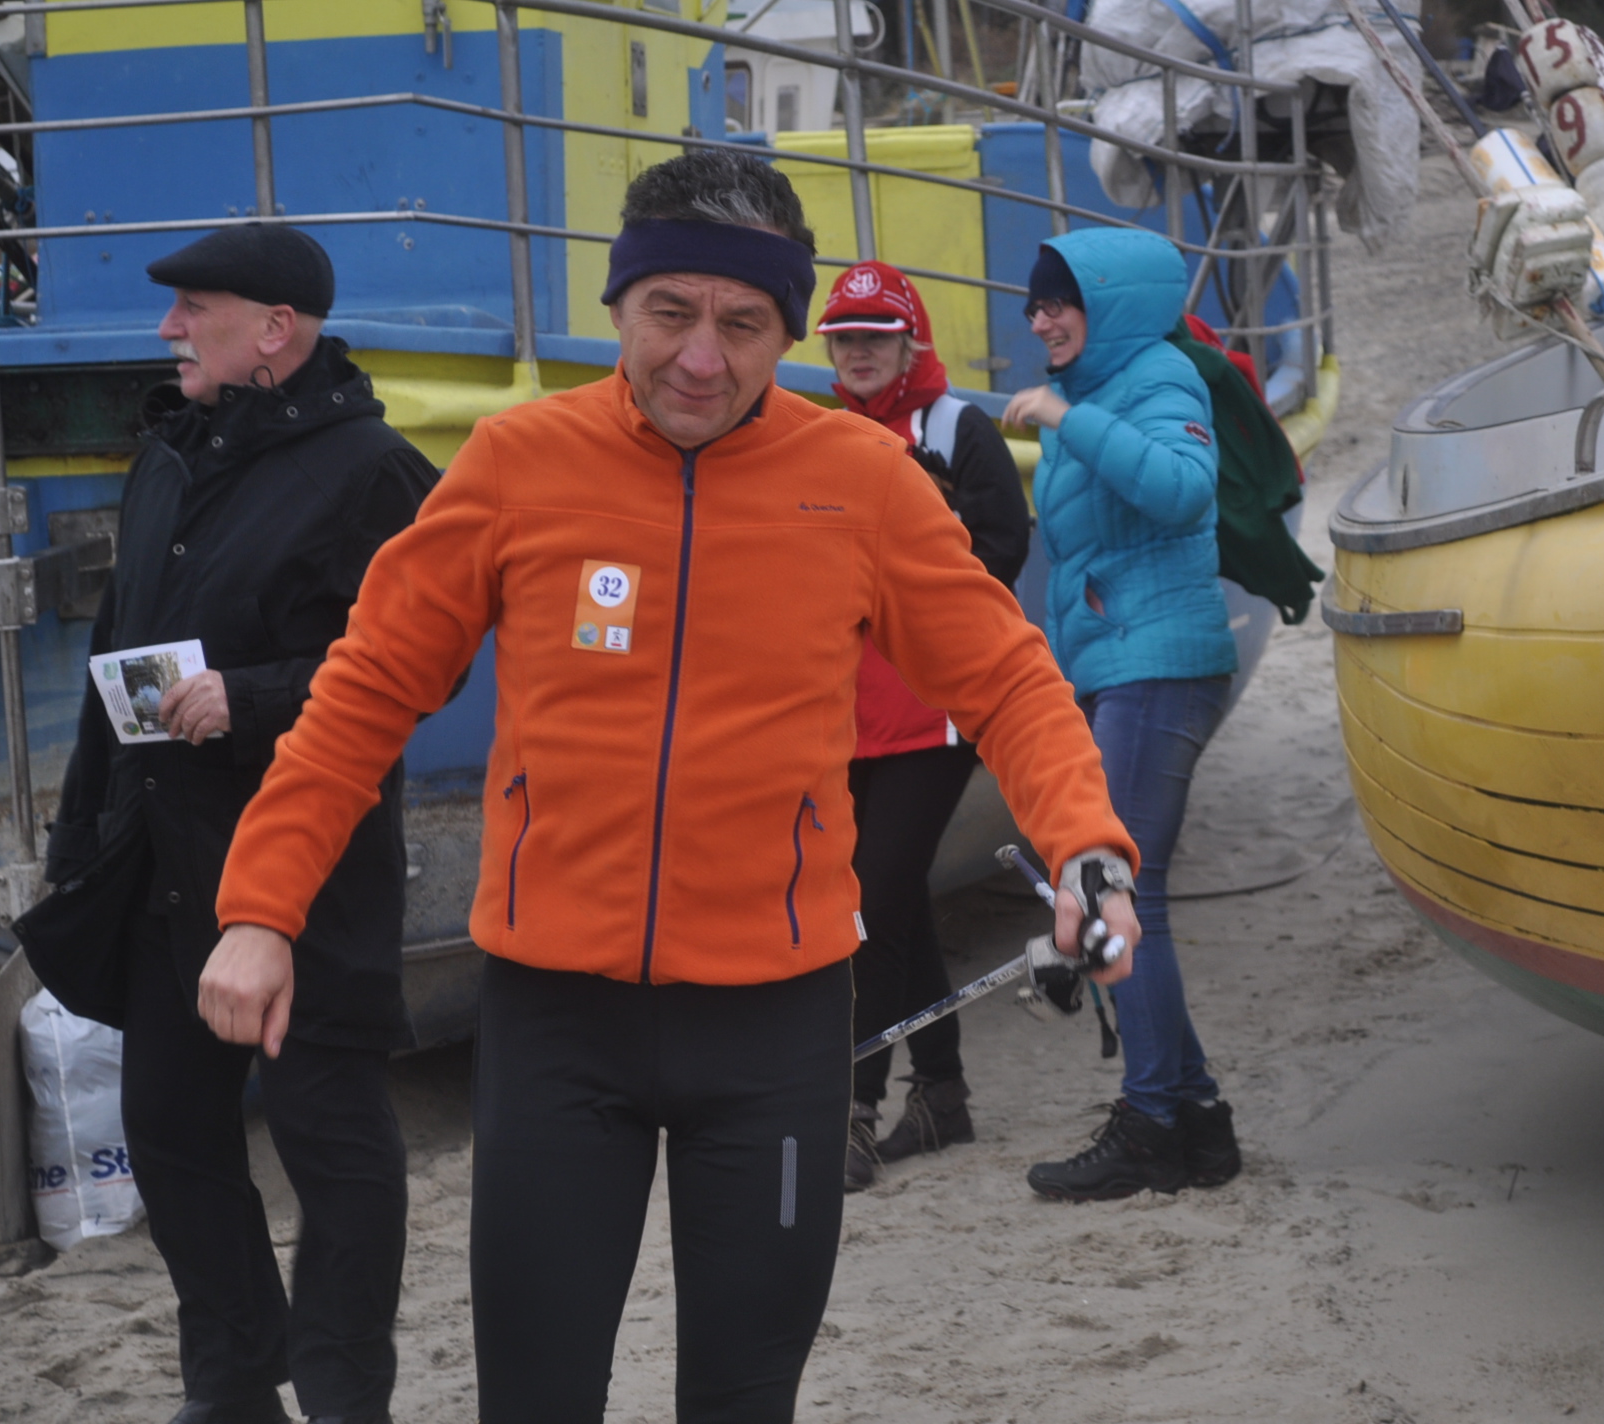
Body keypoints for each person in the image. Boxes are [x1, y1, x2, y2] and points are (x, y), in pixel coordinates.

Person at [197, 149, 1143, 1424]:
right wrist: (261, 908)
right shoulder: (518, 463)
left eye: (742, 323)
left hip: (775, 1023)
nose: (701, 357)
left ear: (787, 332)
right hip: (555, 1018)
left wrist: (1085, 844)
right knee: (535, 1398)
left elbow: (1008, 679)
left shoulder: (862, 483)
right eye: (670, 312)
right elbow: (364, 690)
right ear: (617, 306)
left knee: (743, 1398)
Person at [44, 225, 439, 1424]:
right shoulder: (167, 455)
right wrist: (80, 842)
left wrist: (254, 694)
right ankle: (232, 1384)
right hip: (165, 865)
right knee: (168, 1132)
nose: (168, 328)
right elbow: (113, 654)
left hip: (310, 872)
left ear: (275, 329)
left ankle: (344, 1394)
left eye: (193, 308)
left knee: (332, 1143)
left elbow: (424, 667)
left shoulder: (375, 471)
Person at [1001, 228, 1244, 1203]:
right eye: (1033, 304)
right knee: (1119, 891)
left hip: (1159, 665)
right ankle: (1196, 1118)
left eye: (1058, 301)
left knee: (1120, 896)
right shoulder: (1099, 392)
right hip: (1117, 666)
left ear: (1110, 303)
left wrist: (1068, 416)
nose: (1039, 320)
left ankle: (1150, 1122)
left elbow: (1183, 492)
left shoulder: (1156, 378)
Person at [817, 260, 1032, 1190]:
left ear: (911, 343)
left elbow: (1005, 552)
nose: (859, 352)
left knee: (868, 904)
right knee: (892, 899)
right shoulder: (823, 435)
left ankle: (855, 1114)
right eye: (844, 338)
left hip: (933, 712)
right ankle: (942, 1094)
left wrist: (935, 531)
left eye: (877, 336)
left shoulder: (957, 427)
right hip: (848, 713)